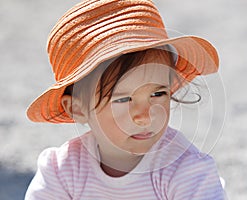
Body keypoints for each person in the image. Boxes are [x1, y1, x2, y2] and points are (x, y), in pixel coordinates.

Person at [25, 0, 226, 199]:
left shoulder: (186, 170)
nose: (145, 117)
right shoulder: (63, 170)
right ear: (77, 109)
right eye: (122, 100)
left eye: (157, 94)